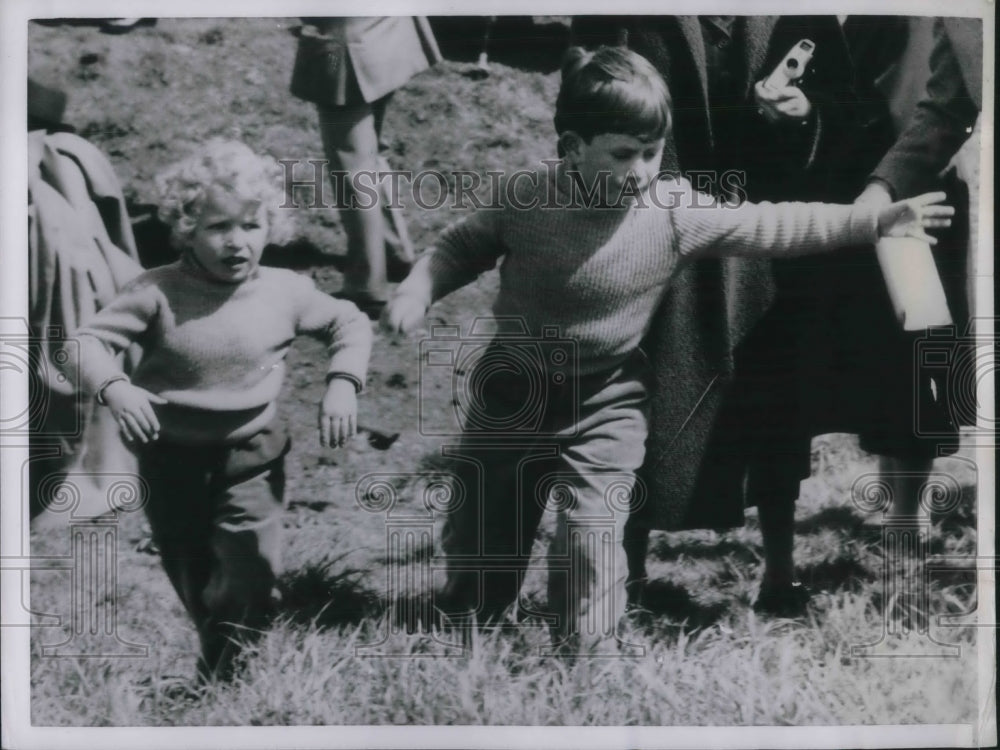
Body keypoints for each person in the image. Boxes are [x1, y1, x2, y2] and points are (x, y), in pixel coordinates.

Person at [380, 46, 952, 653]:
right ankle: (472, 616)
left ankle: (586, 644)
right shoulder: (525, 199)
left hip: (604, 400)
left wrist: (872, 221)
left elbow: (773, 225)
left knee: (593, 530)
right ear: (572, 146)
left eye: (651, 153)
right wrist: (418, 288)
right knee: (486, 522)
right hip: (511, 392)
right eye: (623, 154)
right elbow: (460, 246)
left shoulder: (671, 212)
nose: (641, 169)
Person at [571, 16, 917, 616]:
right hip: (654, 229)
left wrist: (804, 112)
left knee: (775, 408)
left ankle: (780, 576)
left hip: (768, 238)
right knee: (644, 399)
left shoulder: (795, 12)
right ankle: (629, 580)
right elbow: (583, 93)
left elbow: (851, 108)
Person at [64, 140, 374, 679]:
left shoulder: (285, 291)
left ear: (271, 226)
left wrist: (343, 382)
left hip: (251, 455)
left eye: (251, 225)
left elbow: (349, 321)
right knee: (193, 572)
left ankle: (231, 668)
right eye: (217, 227)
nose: (237, 241)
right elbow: (82, 345)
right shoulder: (156, 292)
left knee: (250, 567)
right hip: (170, 458)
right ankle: (222, 645)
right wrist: (115, 386)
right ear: (187, 229)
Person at [849, 16, 981, 521]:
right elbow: (946, 107)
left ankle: (908, 509)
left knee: (924, 355)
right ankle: (900, 503)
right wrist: (881, 188)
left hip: (939, 190)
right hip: (906, 186)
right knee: (903, 354)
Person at [290, 17, 441, 319]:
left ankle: (367, 286)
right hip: (384, 30)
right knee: (365, 157)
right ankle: (393, 254)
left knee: (352, 167)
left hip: (347, 41)